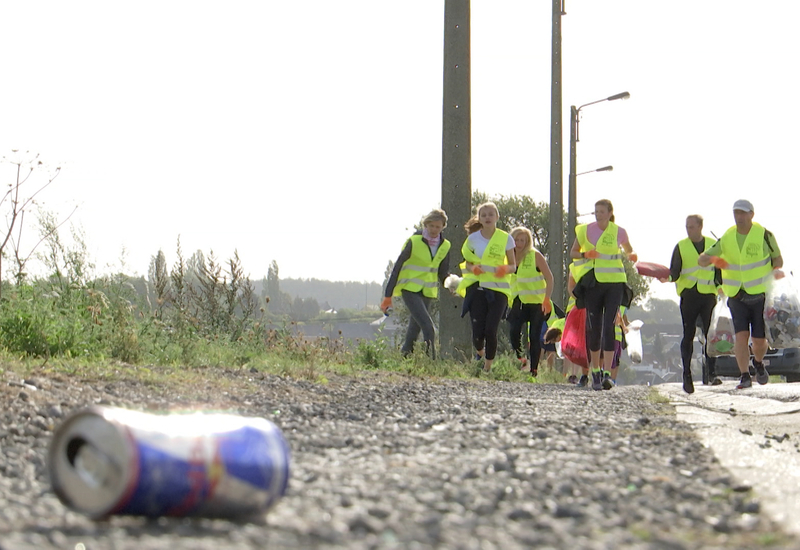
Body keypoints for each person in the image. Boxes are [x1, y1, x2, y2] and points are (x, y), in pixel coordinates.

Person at [698, 200, 783, 389]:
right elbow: (703, 258)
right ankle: (744, 375)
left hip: (760, 295)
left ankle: (758, 363)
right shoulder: (728, 236)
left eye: (743, 213)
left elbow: (778, 258)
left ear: (752, 215)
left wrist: (776, 270)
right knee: (741, 337)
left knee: (760, 341)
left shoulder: (764, 235)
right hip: (736, 295)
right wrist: (710, 259)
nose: (739, 217)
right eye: (736, 213)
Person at [569, 199, 637, 391]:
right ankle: (595, 371)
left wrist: (632, 256)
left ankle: (608, 373)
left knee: (609, 325)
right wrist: (585, 255)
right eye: (596, 211)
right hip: (593, 284)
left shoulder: (619, 231)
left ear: (609, 213)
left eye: (601, 211)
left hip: (614, 283)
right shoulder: (584, 231)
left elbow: (630, 250)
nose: (598, 214)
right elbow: (573, 252)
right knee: (594, 327)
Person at [660, 214, 722, 394]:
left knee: (711, 335)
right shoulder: (681, 246)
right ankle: (686, 374)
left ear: (700, 226)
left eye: (692, 227)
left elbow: (718, 270)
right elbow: (675, 270)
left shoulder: (713, 244)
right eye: (687, 227)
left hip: (708, 294)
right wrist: (668, 278)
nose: (688, 230)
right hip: (689, 294)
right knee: (689, 334)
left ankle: (711, 372)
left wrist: (720, 286)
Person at [382, 208, 451, 360]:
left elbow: (442, 272)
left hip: (427, 292)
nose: (433, 230)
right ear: (426, 225)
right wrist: (388, 295)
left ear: (442, 227)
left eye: (437, 227)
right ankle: (430, 365)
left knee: (413, 333)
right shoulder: (414, 241)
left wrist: (451, 284)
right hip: (410, 289)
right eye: (431, 226)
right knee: (429, 328)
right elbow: (398, 266)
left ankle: (403, 361)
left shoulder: (445, 246)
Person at [459, 202, 516, 373]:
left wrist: (504, 268)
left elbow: (513, 265)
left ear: (497, 217)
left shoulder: (506, 238)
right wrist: (473, 268)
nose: (487, 217)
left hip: (499, 290)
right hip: (477, 288)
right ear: (479, 219)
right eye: (483, 215)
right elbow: (467, 262)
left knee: (491, 328)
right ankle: (480, 352)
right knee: (478, 331)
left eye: (491, 214)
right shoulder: (472, 239)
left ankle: (487, 367)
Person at [507, 227, 554, 376]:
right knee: (513, 331)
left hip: (537, 303)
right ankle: (521, 359)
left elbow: (550, 278)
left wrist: (547, 299)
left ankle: (534, 370)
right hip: (518, 301)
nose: (519, 243)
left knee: (534, 336)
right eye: (516, 240)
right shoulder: (508, 256)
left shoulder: (535, 256)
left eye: (523, 240)